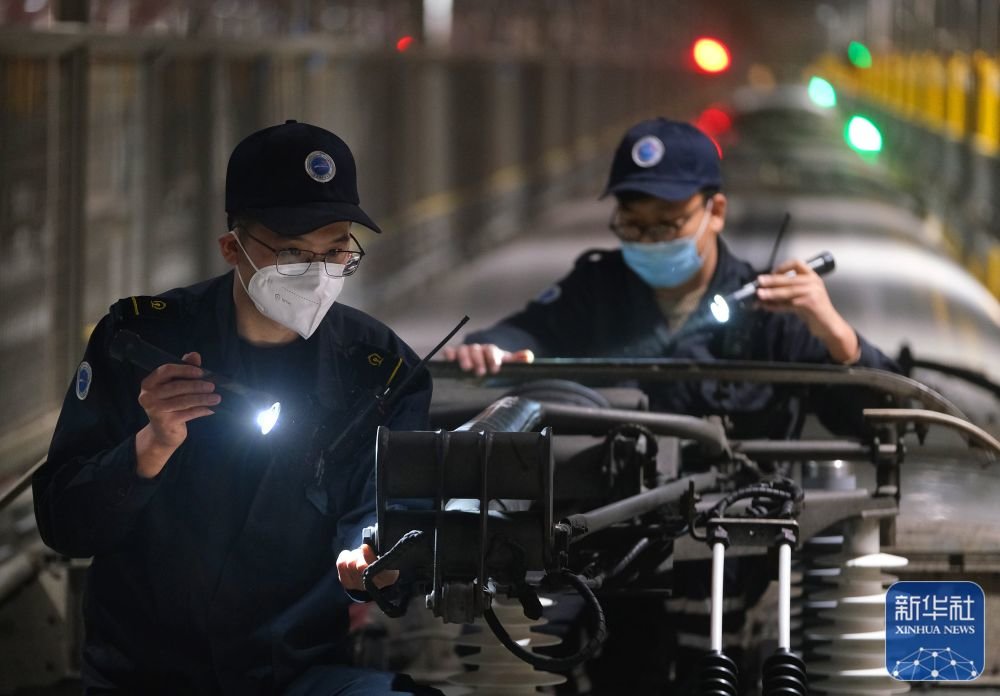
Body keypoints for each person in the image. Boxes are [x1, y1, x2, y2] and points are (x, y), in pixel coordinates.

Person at [33, 121, 441, 696]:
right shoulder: (140, 342)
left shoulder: (378, 369)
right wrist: (150, 446)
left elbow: (387, 505)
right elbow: (64, 523)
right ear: (233, 248)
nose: (317, 271)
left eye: (334, 250)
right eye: (293, 250)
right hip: (145, 674)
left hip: (298, 672)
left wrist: (373, 551)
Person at [443, 117, 899, 438]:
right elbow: (529, 331)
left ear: (715, 212)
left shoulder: (772, 311)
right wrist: (491, 347)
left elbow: (886, 422)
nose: (648, 240)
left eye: (666, 223)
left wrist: (837, 336)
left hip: (734, 552)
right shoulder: (597, 288)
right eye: (632, 224)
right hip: (605, 548)